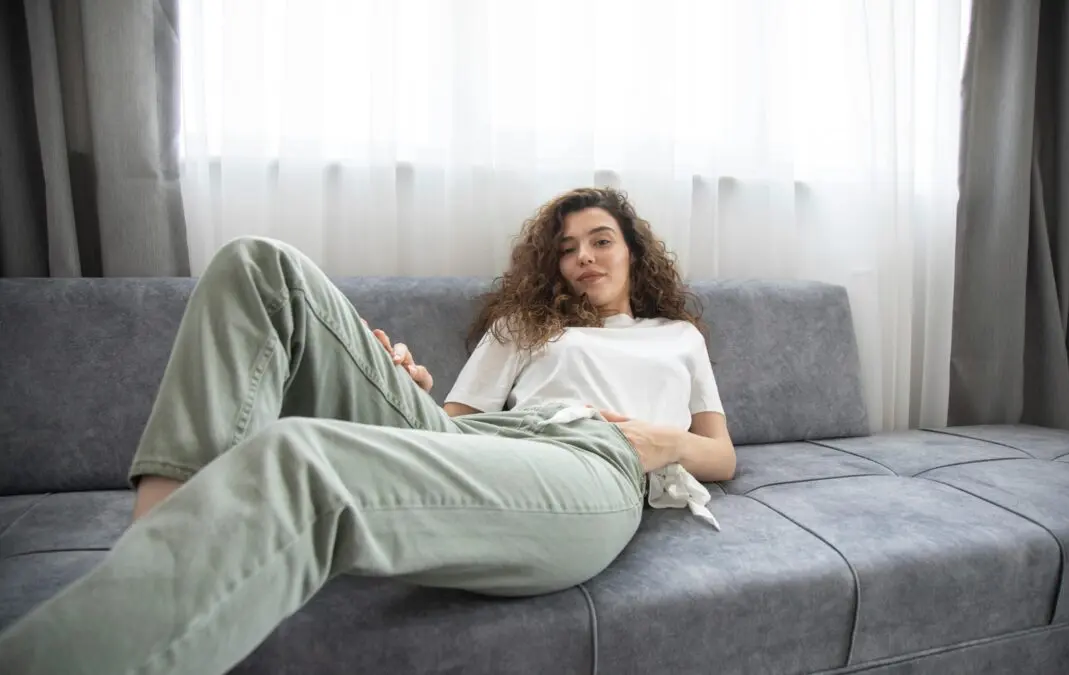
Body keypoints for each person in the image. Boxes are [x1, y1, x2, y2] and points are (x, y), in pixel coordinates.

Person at [0, 186, 736, 674]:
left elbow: (721, 454)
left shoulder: (677, 336)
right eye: (568, 248)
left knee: (301, 460)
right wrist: (408, 389)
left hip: (590, 458)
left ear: (633, 249)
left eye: (600, 240)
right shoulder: (524, 326)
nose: (582, 256)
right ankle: (155, 548)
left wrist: (663, 443)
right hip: (489, 445)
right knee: (258, 266)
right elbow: (451, 427)